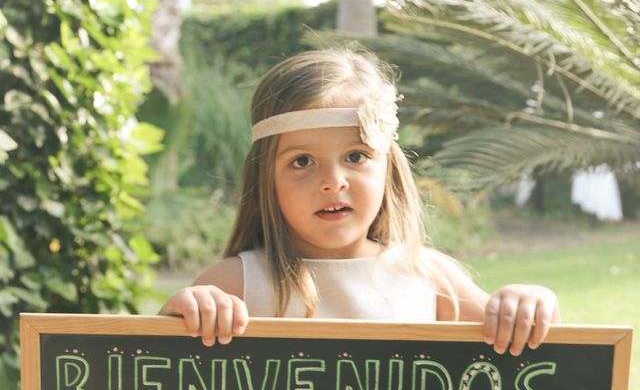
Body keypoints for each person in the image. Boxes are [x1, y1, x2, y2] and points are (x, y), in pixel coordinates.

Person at [160, 48, 560, 357]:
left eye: (355, 157)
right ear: (266, 178)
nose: (333, 182)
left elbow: (525, 351)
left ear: (388, 167)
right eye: (302, 161)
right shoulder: (234, 284)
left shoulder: (431, 280)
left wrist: (530, 303)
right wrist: (181, 314)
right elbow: (155, 364)